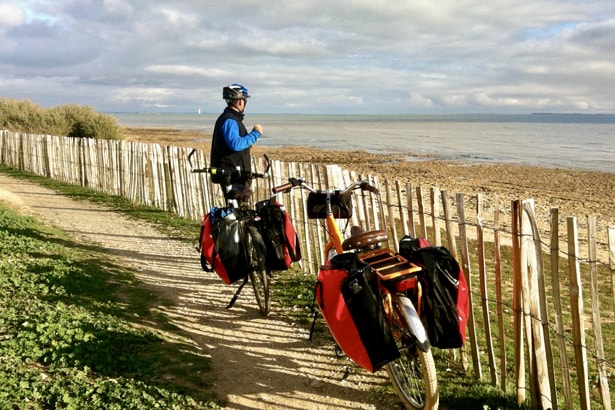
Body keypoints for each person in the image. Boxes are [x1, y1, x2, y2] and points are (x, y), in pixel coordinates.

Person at [210, 84, 263, 201]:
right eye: (244, 100)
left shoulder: (228, 118)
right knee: (238, 211)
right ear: (240, 101)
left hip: (233, 174)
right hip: (233, 175)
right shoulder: (230, 119)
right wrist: (255, 133)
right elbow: (235, 144)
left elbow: (231, 144)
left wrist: (248, 145)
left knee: (237, 211)